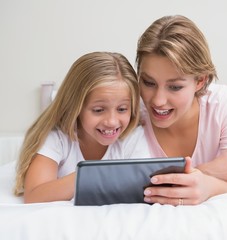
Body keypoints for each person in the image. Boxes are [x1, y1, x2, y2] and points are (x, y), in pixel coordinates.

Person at [136, 15, 227, 206]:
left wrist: (210, 187)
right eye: (148, 83)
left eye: (174, 87)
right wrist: (210, 170)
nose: (158, 100)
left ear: (200, 81)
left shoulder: (223, 103)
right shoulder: (130, 111)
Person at [14, 52, 149, 203]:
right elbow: (34, 196)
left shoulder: (131, 138)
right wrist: (92, 175)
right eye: (98, 110)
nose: (112, 121)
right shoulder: (57, 139)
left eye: (122, 109)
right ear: (76, 107)